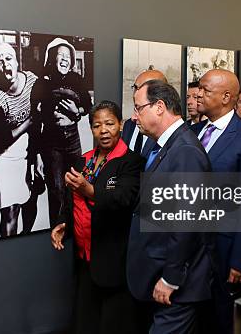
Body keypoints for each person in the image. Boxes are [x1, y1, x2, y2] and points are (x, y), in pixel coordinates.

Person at [127, 80, 213, 334]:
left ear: (159, 107)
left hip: (177, 283)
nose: (134, 117)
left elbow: (187, 221)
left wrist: (171, 277)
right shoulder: (166, 145)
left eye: (138, 108)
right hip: (157, 271)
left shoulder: (185, 151)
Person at [51, 100, 144, 334]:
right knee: (84, 323)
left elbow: (122, 200)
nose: (103, 130)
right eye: (97, 125)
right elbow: (73, 200)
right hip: (85, 258)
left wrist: (89, 190)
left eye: (110, 124)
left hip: (113, 259)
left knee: (112, 325)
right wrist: (65, 223)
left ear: (121, 125)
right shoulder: (84, 160)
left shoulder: (131, 162)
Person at [192, 69, 241, 334]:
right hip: (189, 247)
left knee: (221, 320)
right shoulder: (192, 132)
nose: (198, 94)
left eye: (205, 90)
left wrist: (240, 258)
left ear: (226, 97)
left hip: (223, 249)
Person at [31, 37, 93, 226]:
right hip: (51, 142)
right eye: (61, 55)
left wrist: (77, 111)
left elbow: (87, 106)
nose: (65, 59)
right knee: (56, 189)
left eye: (68, 56)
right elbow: (35, 119)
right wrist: (36, 155)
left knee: (75, 185)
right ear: (51, 58)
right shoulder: (41, 83)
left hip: (73, 139)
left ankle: (77, 227)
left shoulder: (77, 80)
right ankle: (57, 228)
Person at [0, 43, 38, 237]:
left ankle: (25, 239)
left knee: (30, 201)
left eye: (8, 58)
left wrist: (36, 156)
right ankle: (8, 249)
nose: (5, 64)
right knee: (10, 210)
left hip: (26, 151)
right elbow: (0, 138)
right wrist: (29, 122)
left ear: (16, 61)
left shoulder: (33, 82)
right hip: (0, 156)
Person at [121, 68, 167, 157]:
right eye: (135, 88)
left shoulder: (166, 131)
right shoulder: (129, 125)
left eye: (140, 89)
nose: (135, 94)